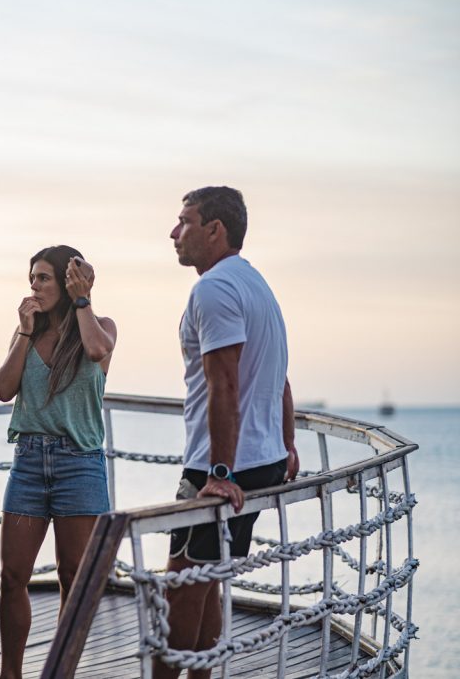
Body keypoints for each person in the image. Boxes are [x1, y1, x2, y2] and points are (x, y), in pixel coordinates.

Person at [155, 186, 300, 679]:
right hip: (260, 459)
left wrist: (218, 471)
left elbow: (227, 381)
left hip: (220, 467)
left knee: (177, 593)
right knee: (209, 580)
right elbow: (277, 374)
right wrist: (287, 444)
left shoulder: (213, 288)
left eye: (185, 222)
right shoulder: (257, 285)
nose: (175, 233)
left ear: (215, 229)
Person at [0, 245, 117, 679]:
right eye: (32, 279)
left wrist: (83, 300)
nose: (34, 286)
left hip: (78, 464)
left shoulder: (99, 326)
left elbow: (98, 351)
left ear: (67, 282)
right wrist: (25, 332)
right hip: (28, 461)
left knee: (73, 578)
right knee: (12, 576)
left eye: (43, 278)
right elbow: (3, 389)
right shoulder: (25, 331)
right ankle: (12, 673)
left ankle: (61, 671)